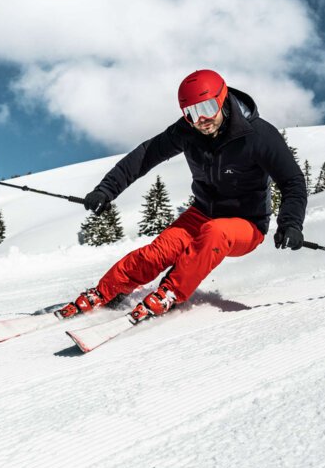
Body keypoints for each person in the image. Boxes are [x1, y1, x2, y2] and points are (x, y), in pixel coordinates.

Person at [57, 69, 308, 323]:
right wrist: (105, 189)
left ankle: (170, 293)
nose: (202, 120)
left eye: (208, 107)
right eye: (192, 113)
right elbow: (145, 155)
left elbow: (293, 181)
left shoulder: (259, 135)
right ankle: (107, 291)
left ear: (223, 99)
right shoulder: (188, 131)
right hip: (202, 212)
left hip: (247, 223)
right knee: (158, 253)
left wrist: (290, 224)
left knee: (215, 233)